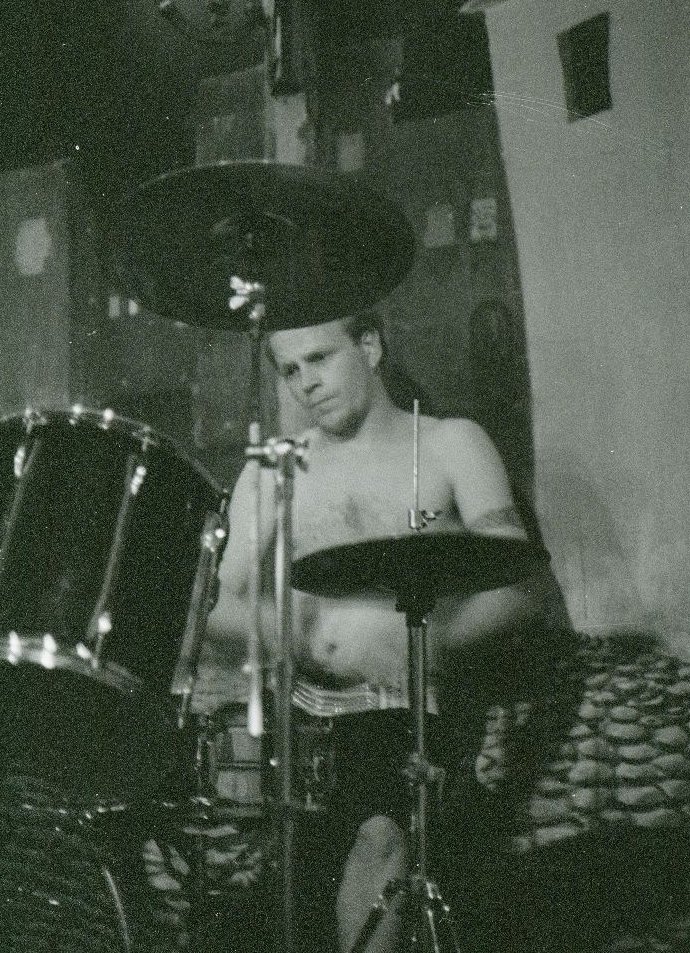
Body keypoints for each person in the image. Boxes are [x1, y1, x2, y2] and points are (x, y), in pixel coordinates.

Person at [201, 308, 570, 953]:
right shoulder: (275, 471)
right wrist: (296, 633)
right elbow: (215, 604)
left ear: (369, 347)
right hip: (300, 717)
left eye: (320, 358)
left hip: (414, 707)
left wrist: (428, 641)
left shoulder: (451, 444)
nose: (306, 383)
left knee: (378, 839)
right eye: (290, 370)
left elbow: (521, 589)